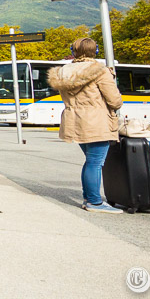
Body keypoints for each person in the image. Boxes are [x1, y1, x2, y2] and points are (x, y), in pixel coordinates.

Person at [48, 38, 124, 211]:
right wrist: (111, 78)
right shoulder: (100, 71)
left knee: (90, 161)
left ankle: (88, 197)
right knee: (95, 162)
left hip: (74, 120)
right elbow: (115, 101)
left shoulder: (63, 72)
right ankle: (94, 201)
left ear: (73, 51)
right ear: (95, 51)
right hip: (96, 121)